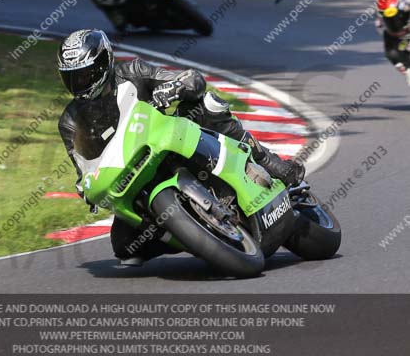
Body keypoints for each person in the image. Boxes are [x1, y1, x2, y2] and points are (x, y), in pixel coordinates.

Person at [57, 28, 305, 265]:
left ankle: (268, 162)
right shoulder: (70, 120)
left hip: (169, 141)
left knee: (206, 105)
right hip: (131, 175)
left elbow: (191, 79)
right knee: (124, 246)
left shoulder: (134, 71)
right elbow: (82, 166)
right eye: (72, 77)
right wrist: (85, 187)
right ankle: (190, 235)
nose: (79, 83)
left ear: (104, 63)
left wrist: (174, 87)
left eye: (85, 74)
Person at [375, 0, 410, 86]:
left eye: (395, 16)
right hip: (396, 37)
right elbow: (381, 30)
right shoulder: (380, 22)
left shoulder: (406, 6)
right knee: (391, 54)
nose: (393, 20)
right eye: (389, 19)